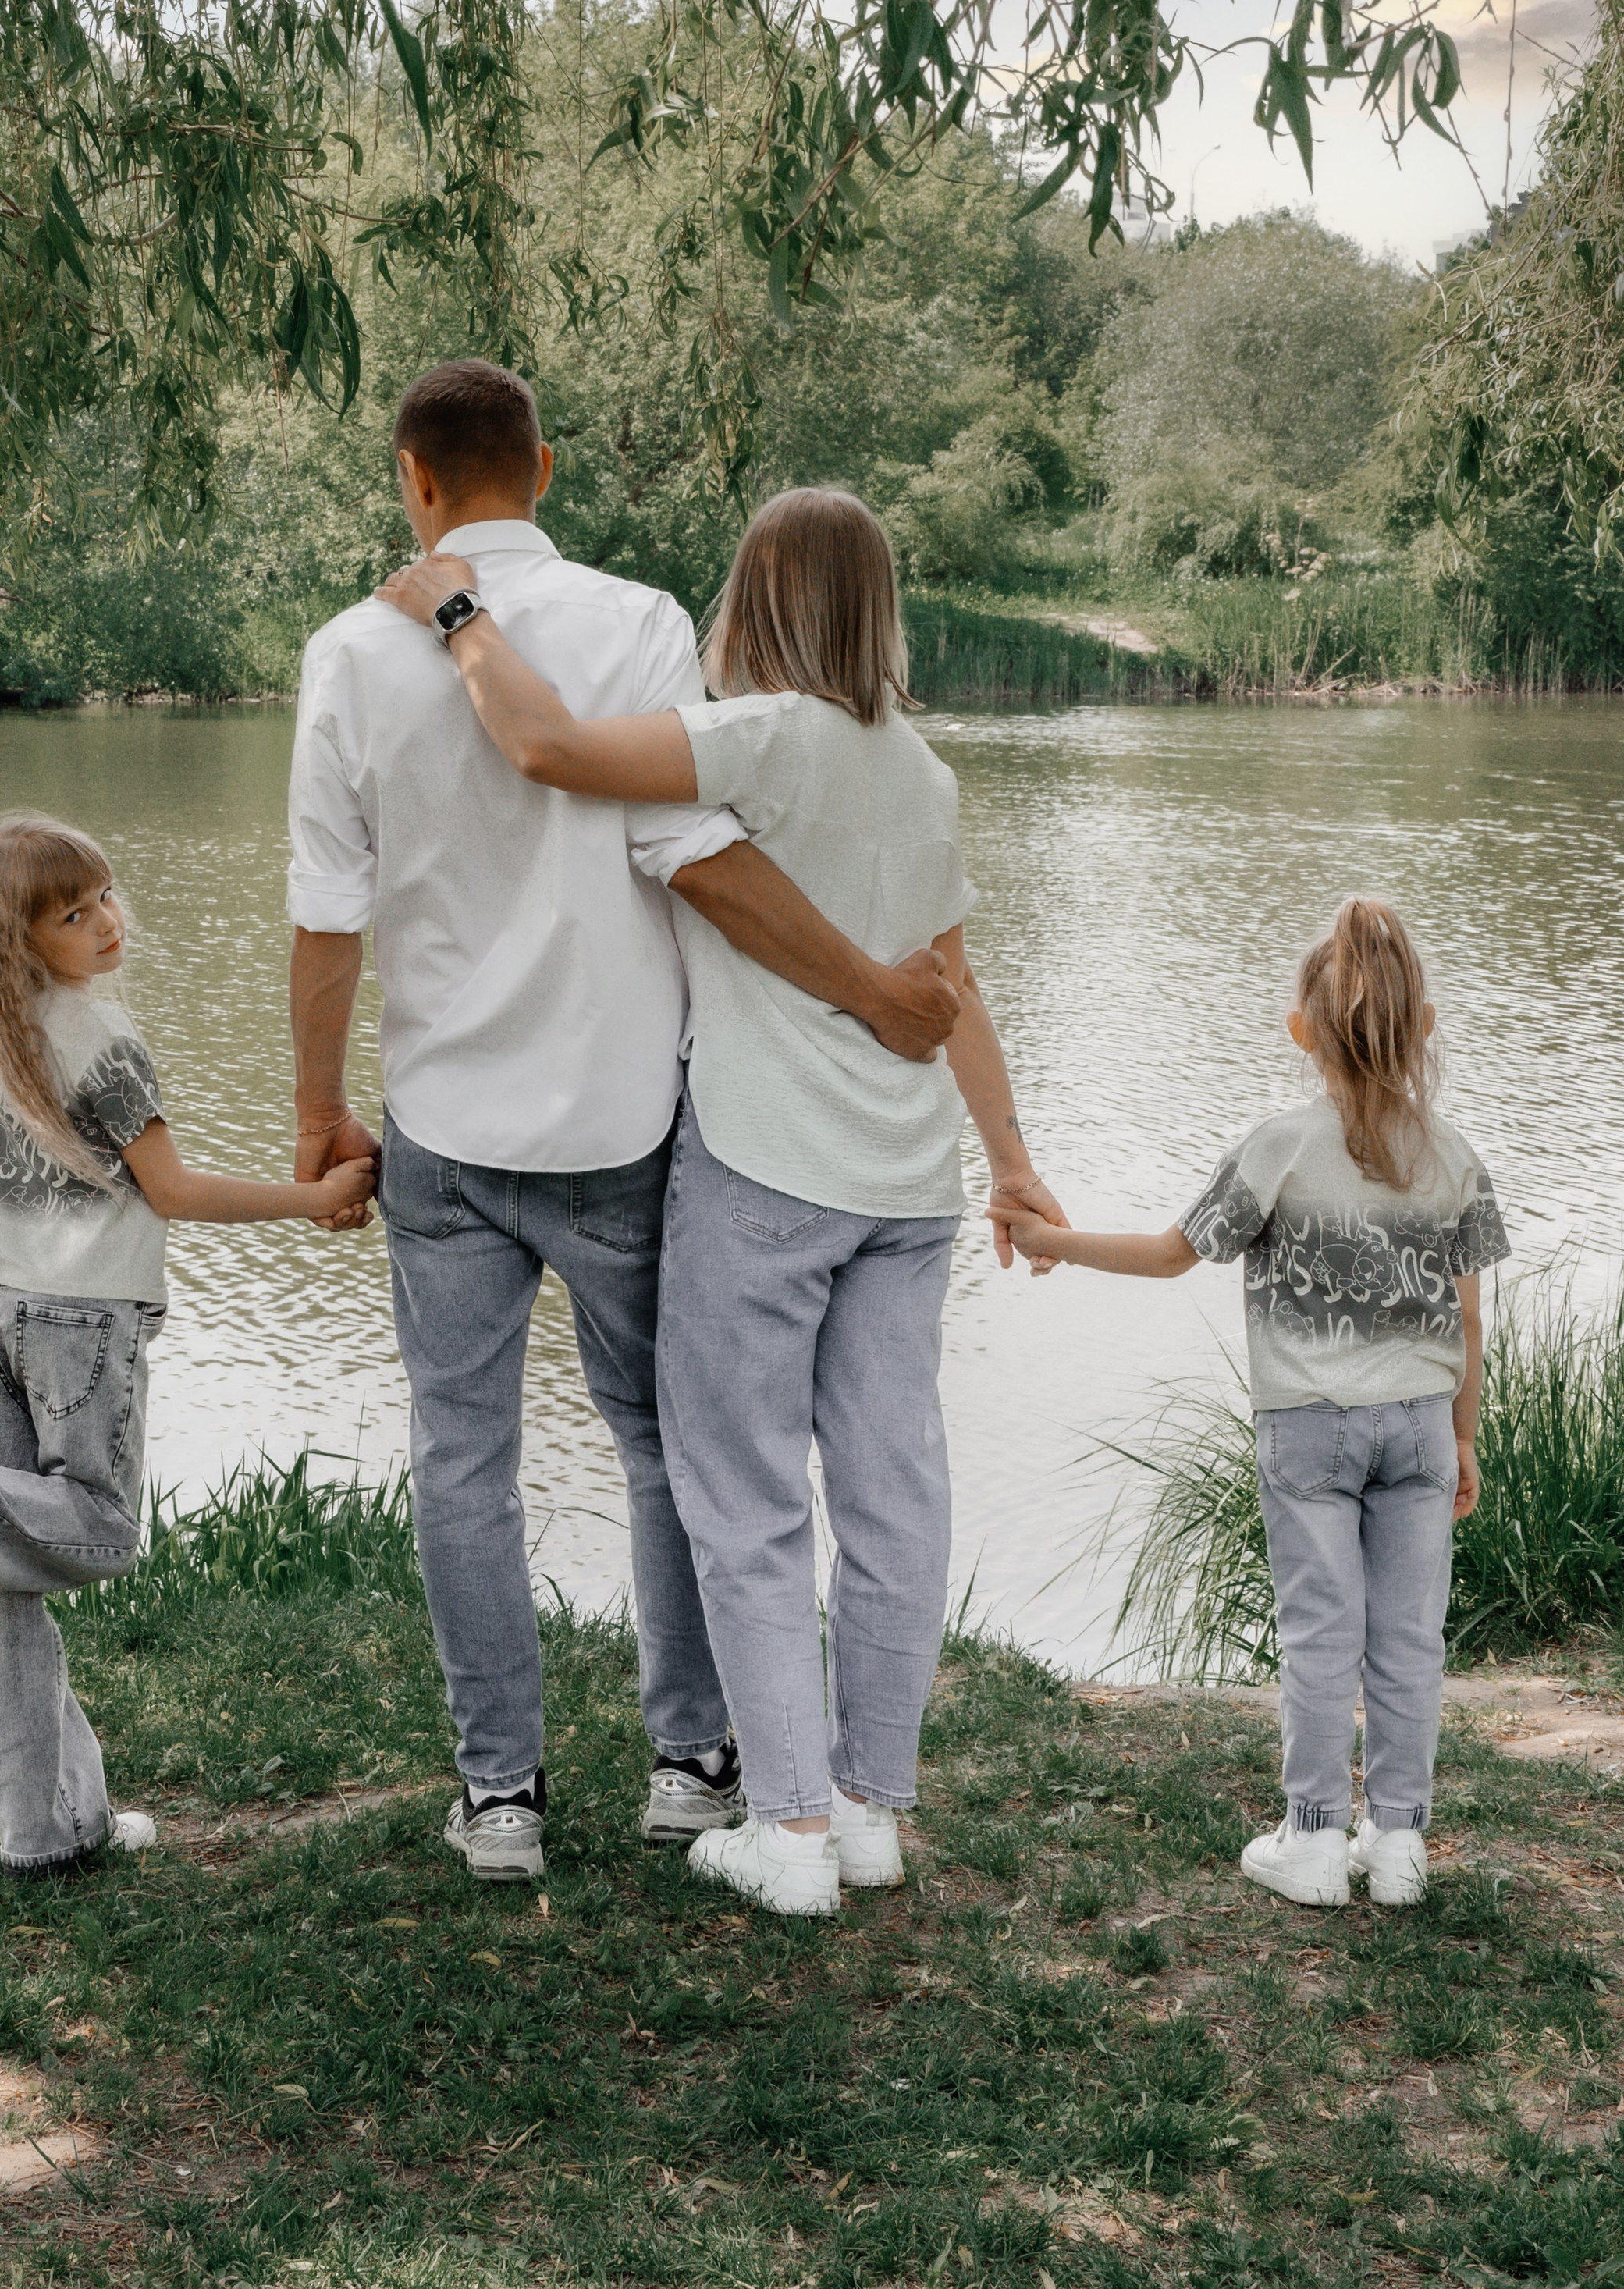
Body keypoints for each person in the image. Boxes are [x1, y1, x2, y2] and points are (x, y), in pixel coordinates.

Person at [290, 368, 972, 1887]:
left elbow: (327, 918)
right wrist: (869, 991)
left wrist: (314, 1113)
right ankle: (688, 1765)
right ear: (540, 464)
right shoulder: (644, 622)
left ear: (413, 480)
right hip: (624, 1122)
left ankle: (503, 1798)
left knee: (462, 1457)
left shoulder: (346, 652)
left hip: (443, 1133)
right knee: (667, 1446)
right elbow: (697, 859)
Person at [0, 812, 375, 1880]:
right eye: (72, 912)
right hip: (79, 1322)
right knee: (95, 1527)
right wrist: (312, 1195)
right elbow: (175, 1191)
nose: (106, 922)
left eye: (104, 896)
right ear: (23, 936)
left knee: (8, 1585)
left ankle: (44, 1832)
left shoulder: (1, 1041)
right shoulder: (102, 1038)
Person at [1000, 897, 1509, 1910]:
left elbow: (1167, 1253)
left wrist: (1054, 1240)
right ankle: (1399, 1841)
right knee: (1409, 1635)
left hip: (1309, 1426)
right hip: (1418, 1424)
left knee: (1322, 1631)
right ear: (1424, 1024)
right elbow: (1468, 1324)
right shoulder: (1452, 1157)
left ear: (1300, 1031)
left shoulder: (1277, 1146)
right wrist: (1464, 1437)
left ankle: (1314, 1838)